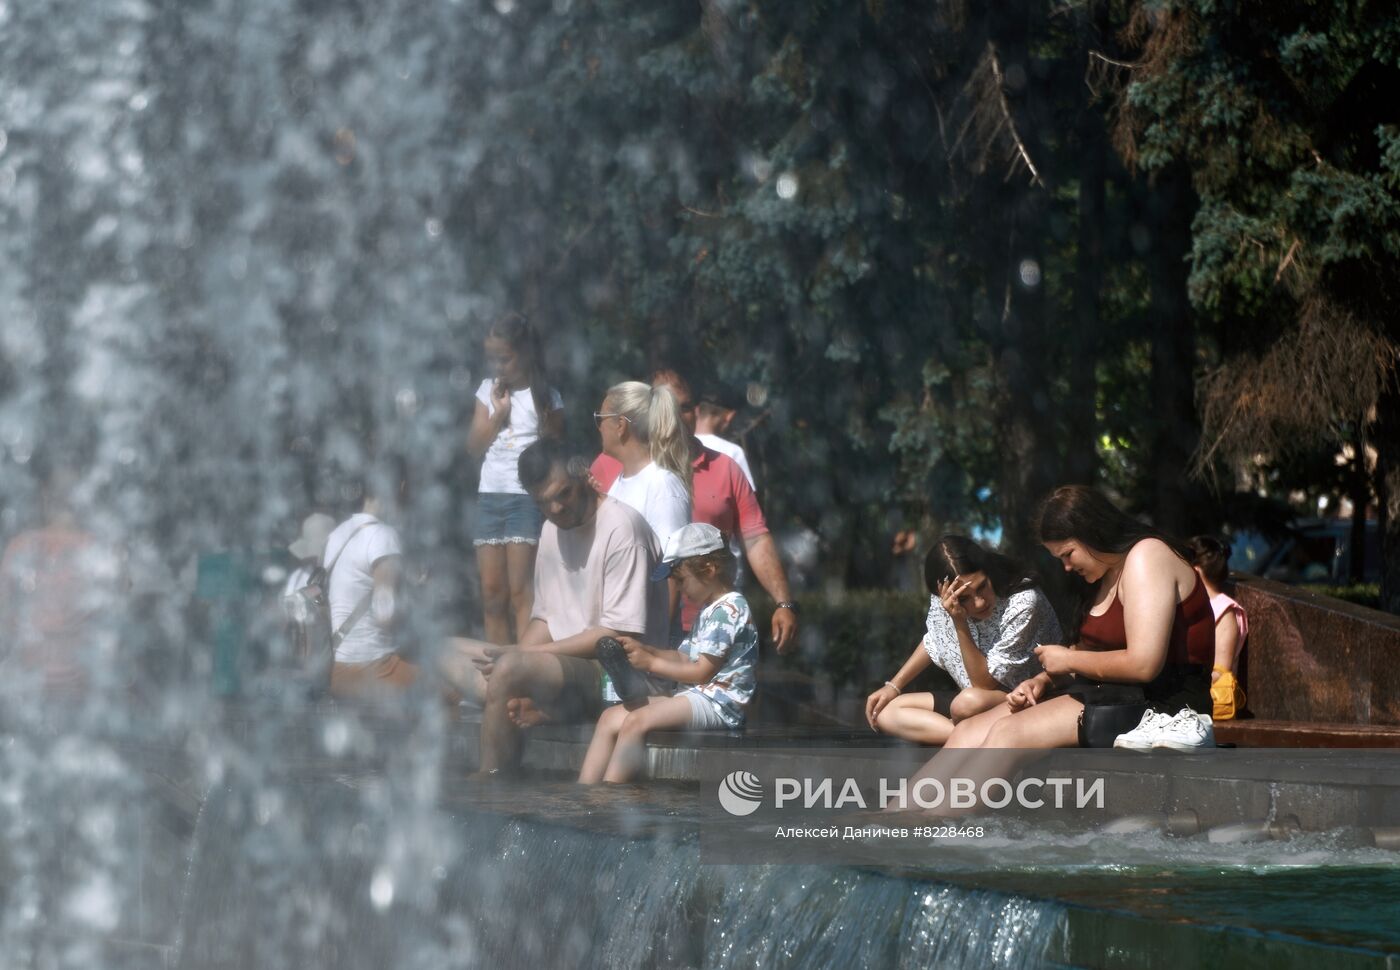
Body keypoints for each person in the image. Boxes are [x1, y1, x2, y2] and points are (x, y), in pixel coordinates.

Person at [908, 487, 1217, 812]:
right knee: (969, 731)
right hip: (1111, 694)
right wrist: (1044, 680)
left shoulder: (1147, 556)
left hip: (1163, 704)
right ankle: (891, 817)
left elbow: (1144, 664)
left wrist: (1068, 658)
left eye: (1068, 554)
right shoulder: (1107, 573)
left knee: (1009, 733)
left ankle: (933, 826)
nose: (1067, 567)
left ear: (1092, 532)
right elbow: (1094, 651)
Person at [442, 439, 670, 774]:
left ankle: (489, 784)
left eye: (563, 494)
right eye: (543, 503)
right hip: (561, 664)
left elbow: (616, 636)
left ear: (582, 474)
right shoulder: (550, 531)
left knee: (507, 671)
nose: (556, 509)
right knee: (443, 649)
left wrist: (523, 661)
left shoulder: (623, 529)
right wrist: (517, 655)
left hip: (618, 674)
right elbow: (545, 618)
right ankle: (518, 699)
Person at [592, 370, 799, 653]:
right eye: (667, 406)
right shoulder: (611, 464)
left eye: (686, 407)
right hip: (629, 626)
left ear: (697, 411)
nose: (677, 415)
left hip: (711, 624)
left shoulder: (724, 467)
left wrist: (783, 602)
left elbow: (755, 538)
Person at [578, 523, 757, 783]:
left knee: (636, 721)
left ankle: (610, 798)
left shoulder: (728, 610)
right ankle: (583, 796)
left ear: (709, 570)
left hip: (720, 704)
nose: (680, 590)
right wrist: (646, 650)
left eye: (681, 580)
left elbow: (702, 671)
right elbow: (685, 658)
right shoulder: (710, 609)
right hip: (699, 695)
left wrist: (650, 663)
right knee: (609, 717)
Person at [865, 536, 1061, 745]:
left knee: (966, 704)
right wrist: (893, 686)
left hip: (1024, 697)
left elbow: (983, 684)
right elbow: (934, 639)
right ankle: (973, 737)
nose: (979, 602)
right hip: (973, 699)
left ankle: (970, 735)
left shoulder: (1023, 602)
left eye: (982, 586)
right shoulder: (947, 595)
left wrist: (959, 622)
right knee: (884, 712)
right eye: (964, 598)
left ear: (988, 572)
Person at [466, 313, 563, 644]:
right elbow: (473, 447)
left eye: (504, 358)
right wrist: (498, 415)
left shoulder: (547, 397)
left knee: (523, 593)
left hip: (526, 500)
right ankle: (498, 673)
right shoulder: (486, 391)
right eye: (491, 358)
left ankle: (525, 671)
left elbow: (555, 452)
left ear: (524, 354)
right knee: (493, 594)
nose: (497, 366)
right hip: (490, 497)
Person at [322, 483, 416, 702]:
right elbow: (386, 616)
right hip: (376, 668)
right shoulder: (383, 535)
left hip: (339, 670)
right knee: (453, 691)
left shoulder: (337, 535)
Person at [593, 380, 691, 545]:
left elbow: (671, 561)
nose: (599, 427)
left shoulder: (662, 485)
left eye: (600, 418)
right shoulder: (622, 480)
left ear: (620, 425)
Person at [1188, 535, 1248, 720]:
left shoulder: (1225, 611)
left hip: (1208, 704)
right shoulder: (1191, 605)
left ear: (1196, 571)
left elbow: (1221, 671)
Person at [694, 388, 755, 489]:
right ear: (729, 416)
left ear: (696, 410)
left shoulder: (676, 447)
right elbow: (748, 498)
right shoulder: (733, 452)